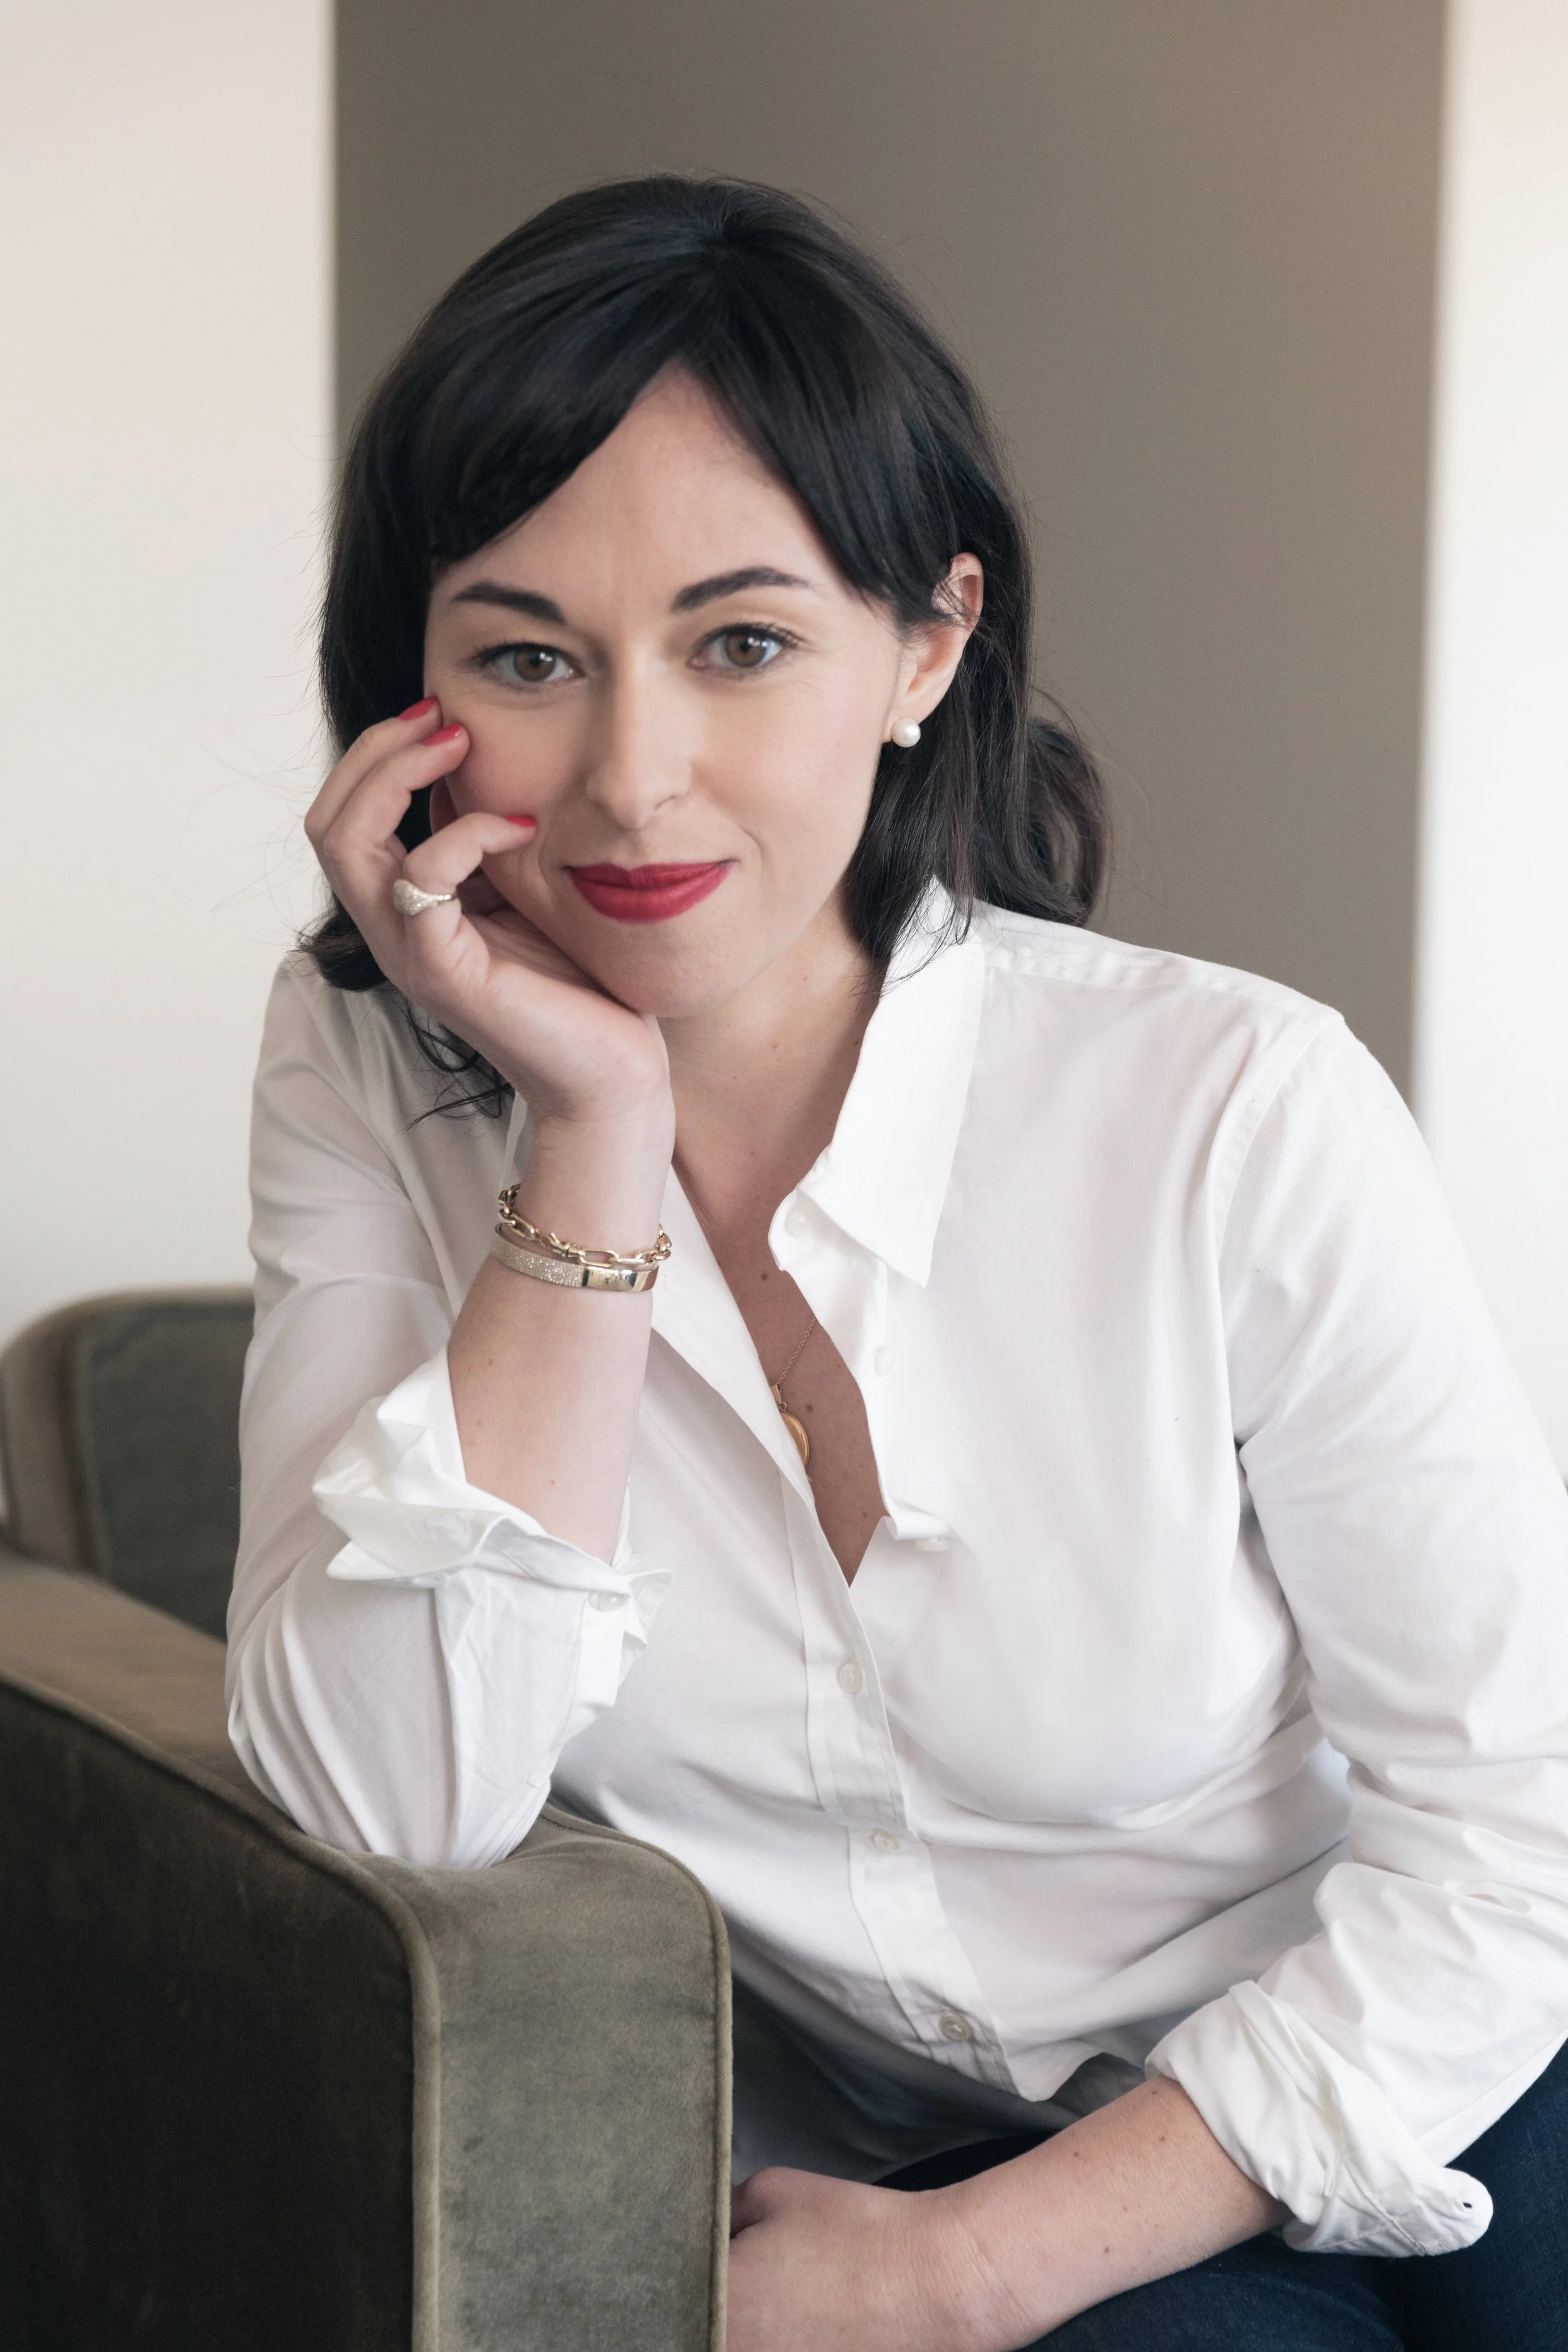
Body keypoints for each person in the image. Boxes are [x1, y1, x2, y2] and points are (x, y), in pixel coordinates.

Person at [227, 176, 1568, 2349]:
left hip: (1425, 2037)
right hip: (921, 2157)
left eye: (741, 643)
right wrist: (592, 1143)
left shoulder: (1228, 1099)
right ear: (415, 696)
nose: (633, 779)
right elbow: (388, 1793)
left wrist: (965, 2268)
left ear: (925, 648)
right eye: (527, 657)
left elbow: (1520, 1839)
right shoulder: (368, 1069)